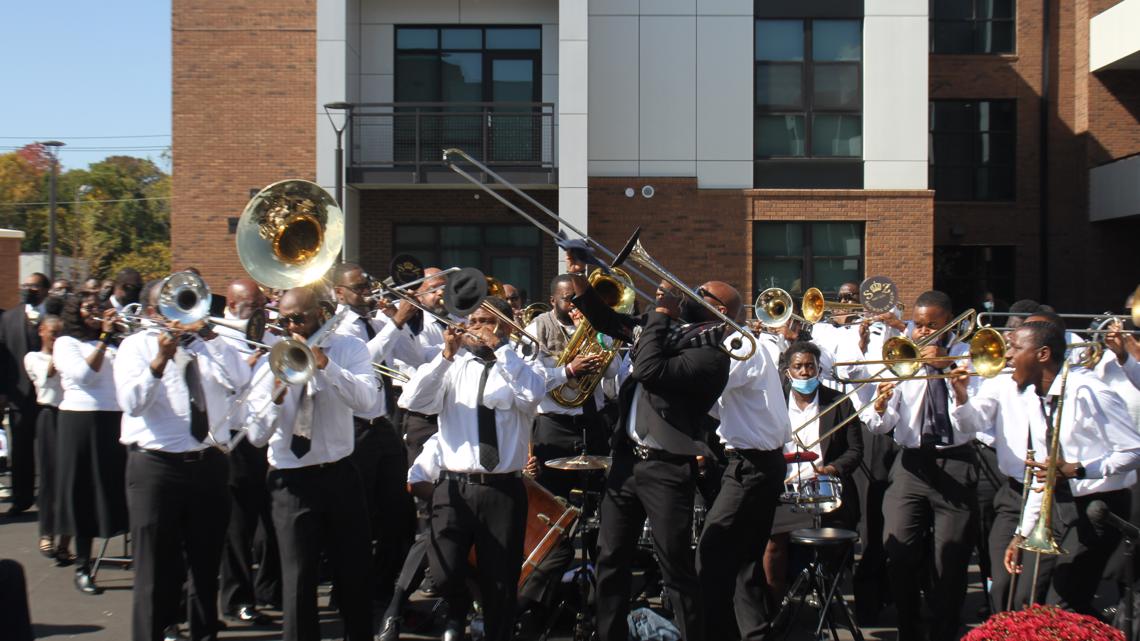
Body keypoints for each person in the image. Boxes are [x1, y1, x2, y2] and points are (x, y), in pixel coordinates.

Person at [568, 268, 735, 641]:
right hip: (626, 463)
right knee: (610, 560)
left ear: (723, 313)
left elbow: (649, 369)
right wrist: (579, 276)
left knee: (675, 567)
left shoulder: (712, 357)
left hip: (667, 469)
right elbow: (607, 320)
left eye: (703, 294)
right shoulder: (659, 332)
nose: (693, 295)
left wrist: (660, 313)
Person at [954, 321, 1140, 615]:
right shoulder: (1032, 395)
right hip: (1055, 501)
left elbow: (1133, 451)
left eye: (1015, 348)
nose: (1008, 356)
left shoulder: (1089, 390)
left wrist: (1078, 469)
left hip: (1097, 506)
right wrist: (1023, 533)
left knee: (1062, 603)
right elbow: (1043, 474)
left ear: (1042, 354)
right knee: (1023, 597)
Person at [398, 293, 546, 641]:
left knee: (501, 584)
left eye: (488, 322)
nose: (478, 329)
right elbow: (413, 400)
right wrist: (446, 355)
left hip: (503, 489)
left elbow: (532, 395)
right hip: (455, 486)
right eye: (474, 321)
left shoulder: (525, 364)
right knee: (444, 571)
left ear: (507, 325)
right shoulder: (452, 366)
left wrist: (502, 348)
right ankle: (458, 610)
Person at [116, 279, 249, 641]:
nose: (180, 313)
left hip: (209, 462)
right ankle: (154, 631)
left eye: (186, 303)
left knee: (206, 564)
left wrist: (210, 337)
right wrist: (159, 360)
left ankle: (204, 633)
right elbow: (132, 403)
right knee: (154, 566)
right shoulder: (134, 347)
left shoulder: (211, 346)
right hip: (157, 467)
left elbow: (243, 379)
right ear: (151, 313)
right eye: (169, 305)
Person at [245, 286, 379, 641]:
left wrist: (328, 367)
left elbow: (367, 401)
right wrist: (275, 395)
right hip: (291, 482)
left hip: (339, 475)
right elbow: (256, 435)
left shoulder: (349, 349)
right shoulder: (269, 359)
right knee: (299, 579)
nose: (291, 326)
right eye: (284, 319)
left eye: (298, 318)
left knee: (353, 572)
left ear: (321, 313)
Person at [867, 290, 978, 641]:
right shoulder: (902, 353)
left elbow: (977, 425)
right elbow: (881, 425)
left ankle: (945, 630)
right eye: (919, 324)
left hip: (955, 460)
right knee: (896, 548)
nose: (923, 332)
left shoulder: (972, 356)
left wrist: (955, 382)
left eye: (932, 325)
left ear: (950, 323)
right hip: (911, 463)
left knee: (951, 560)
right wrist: (881, 406)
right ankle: (908, 626)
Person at [696, 292, 789, 640]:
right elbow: (720, 406)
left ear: (718, 312)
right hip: (757, 463)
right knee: (745, 563)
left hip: (751, 465)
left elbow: (706, 383)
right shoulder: (742, 343)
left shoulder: (739, 343)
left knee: (711, 551)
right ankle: (754, 633)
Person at [331, 262, 420, 606]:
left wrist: (405, 321)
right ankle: (347, 589)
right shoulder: (336, 326)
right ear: (340, 293)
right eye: (359, 288)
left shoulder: (377, 320)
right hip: (352, 427)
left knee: (397, 512)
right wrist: (396, 322)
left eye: (368, 285)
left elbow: (414, 356)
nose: (368, 292)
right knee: (356, 515)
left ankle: (386, 588)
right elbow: (363, 361)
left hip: (382, 423)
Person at [762, 341, 863, 608]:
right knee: (774, 544)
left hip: (824, 487)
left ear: (819, 369)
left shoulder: (838, 402)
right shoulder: (774, 402)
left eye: (810, 366)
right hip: (784, 489)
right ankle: (775, 605)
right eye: (798, 367)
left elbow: (855, 450)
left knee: (832, 546)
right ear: (787, 372)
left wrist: (831, 469)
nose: (805, 372)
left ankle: (827, 597)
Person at [52, 292, 128, 594]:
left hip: (113, 418)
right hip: (80, 420)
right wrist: (105, 337)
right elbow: (85, 374)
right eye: (88, 308)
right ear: (74, 312)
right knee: (83, 491)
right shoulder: (65, 343)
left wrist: (121, 337)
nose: (95, 312)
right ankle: (82, 565)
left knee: (112, 487)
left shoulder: (112, 344)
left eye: (98, 306)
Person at [215, 278, 280, 623]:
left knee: (271, 521)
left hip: (270, 435)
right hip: (233, 439)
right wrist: (247, 369)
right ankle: (238, 597)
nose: (262, 312)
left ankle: (270, 588)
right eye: (254, 306)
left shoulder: (270, 335)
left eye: (262, 305)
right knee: (238, 525)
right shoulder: (218, 337)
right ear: (233, 303)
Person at [523, 274, 608, 499]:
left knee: (596, 496)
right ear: (553, 300)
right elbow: (529, 379)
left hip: (592, 422)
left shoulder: (597, 323)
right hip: (554, 426)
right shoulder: (537, 328)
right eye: (568, 299)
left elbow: (612, 372)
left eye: (579, 298)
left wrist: (592, 335)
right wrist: (568, 371)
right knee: (552, 495)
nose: (575, 305)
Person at [0, 273, 49, 515]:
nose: (28, 289)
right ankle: (22, 497)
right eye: (25, 286)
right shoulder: (8, 318)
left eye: (34, 286)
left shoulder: (54, 315)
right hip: (19, 394)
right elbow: (3, 359)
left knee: (48, 449)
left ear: (45, 291)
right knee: (20, 450)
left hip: (49, 396)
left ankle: (48, 497)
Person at [24, 315, 69, 563]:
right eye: (53, 333)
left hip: (70, 415)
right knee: (50, 479)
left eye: (60, 333)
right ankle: (47, 533)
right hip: (48, 416)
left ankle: (65, 540)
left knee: (70, 481)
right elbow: (48, 375)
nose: (56, 338)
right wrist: (62, 351)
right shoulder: (33, 358)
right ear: (41, 331)